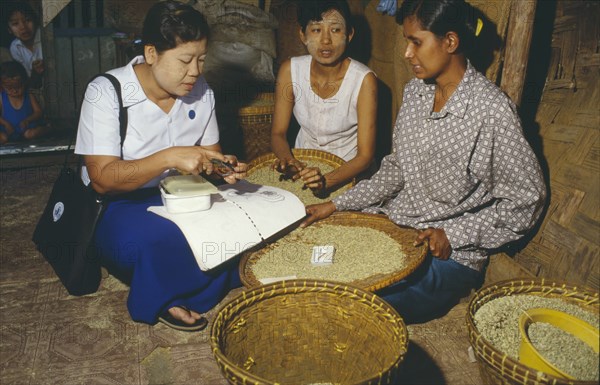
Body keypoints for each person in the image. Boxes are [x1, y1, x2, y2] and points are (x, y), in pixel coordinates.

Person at [301, 0, 546, 324]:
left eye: (416, 41)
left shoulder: (491, 111)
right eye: (406, 41)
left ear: (450, 42)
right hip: (397, 227)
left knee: (357, 308)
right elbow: (396, 171)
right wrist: (336, 205)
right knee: (320, 269)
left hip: (448, 257)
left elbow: (527, 200)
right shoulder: (416, 93)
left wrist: (452, 235)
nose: (407, 53)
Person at [75, 0, 247, 331]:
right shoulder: (106, 93)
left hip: (181, 195)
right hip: (117, 203)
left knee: (235, 220)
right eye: (184, 60)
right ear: (151, 53)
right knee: (161, 239)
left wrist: (224, 168)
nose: (195, 71)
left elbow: (210, 158)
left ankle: (197, 275)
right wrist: (169, 156)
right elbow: (101, 179)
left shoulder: (201, 92)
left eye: (201, 60)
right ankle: (166, 296)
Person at [270, 0, 377, 195]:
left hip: (348, 169)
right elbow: (278, 133)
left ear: (349, 34)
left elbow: (365, 156)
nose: (326, 41)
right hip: (303, 165)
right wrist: (289, 161)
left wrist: (325, 181)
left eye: (335, 30)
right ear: (302, 35)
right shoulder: (290, 70)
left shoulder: (364, 80)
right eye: (316, 30)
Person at [0, 60, 46, 144]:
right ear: (2, 86)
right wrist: (6, 124)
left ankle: (48, 129)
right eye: (9, 88)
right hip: (7, 131)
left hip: (26, 129)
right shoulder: (1, 97)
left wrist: (27, 120)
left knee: (31, 134)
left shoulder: (28, 95)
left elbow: (38, 112)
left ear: (24, 83)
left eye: (18, 87)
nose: (14, 91)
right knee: (3, 138)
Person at [6, 1, 43, 89]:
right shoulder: (15, 47)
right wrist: (35, 73)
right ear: (9, 30)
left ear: (35, 21)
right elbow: (27, 82)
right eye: (15, 24)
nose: (23, 27)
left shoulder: (44, 37)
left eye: (28, 20)